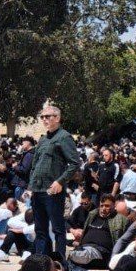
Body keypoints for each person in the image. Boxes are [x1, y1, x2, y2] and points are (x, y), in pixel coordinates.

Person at [30, 104, 79, 260]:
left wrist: (60, 181)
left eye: (48, 116)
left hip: (53, 190)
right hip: (37, 189)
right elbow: (35, 164)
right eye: (42, 117)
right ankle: (41, 261)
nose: (44, 119)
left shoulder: (64, 137)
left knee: (58, 229)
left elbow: (74, 163)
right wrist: (30, 185)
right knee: (40, 230)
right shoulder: (43, 139)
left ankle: (59, 262)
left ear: (57, 118)